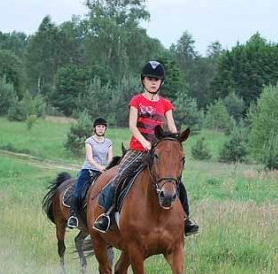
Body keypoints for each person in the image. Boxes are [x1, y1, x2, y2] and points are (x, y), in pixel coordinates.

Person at [92, 60, 199, 236]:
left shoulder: (166, 104)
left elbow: (171, 127)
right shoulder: (137, 100)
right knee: (119, 177)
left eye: (157, 79)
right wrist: (144, 142)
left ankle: (185, 219)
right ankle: (106, 216)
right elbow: (133, 126)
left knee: (176, 182)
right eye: (150, 78)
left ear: (161, 82)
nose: (153, 82)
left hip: (159, 152)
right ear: (143, 80)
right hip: (137, 149)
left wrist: (176, 140)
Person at [67, 117, 113, 229]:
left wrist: (109, 168)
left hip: (102, 172)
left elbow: (110, 158)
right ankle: (72, 216)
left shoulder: (108, 142)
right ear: (94, 128)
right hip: (88, 170)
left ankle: (106, 217)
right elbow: (90, 158)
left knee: (110, 191)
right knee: (78, 193)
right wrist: (100, 167)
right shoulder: (89, 141)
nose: (101, 129)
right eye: (98, 127)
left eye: (103, 127)